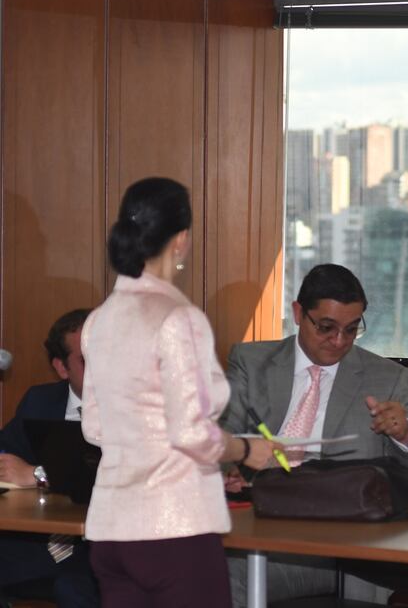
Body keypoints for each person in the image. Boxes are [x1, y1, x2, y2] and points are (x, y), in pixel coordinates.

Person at [80, 177, 277, 608]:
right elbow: (191, 433)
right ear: (182, 239)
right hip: (175, 527)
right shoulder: (178, 317)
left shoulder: (99, 320)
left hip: (110, 529)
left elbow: (94, 427)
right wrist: (246, 449)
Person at [220, 263, 408, 607]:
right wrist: (230, 465)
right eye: (326, 327)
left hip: (342, 546)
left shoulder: (387, 377)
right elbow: (221, 434)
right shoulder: (251, 360)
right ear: (298, 313)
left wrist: (404, 433)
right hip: (259, 521)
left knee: (223, 580)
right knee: (187, 570)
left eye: (351, 330)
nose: (338, 341)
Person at [0, 309, 99, 608]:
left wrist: (38, 474)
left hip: (97, 551)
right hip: (32, 547)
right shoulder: (40, 401)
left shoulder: (139, 408)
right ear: (61, 367)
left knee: (73, 588)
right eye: (87, 360)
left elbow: (109, 473)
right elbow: (6, 455)